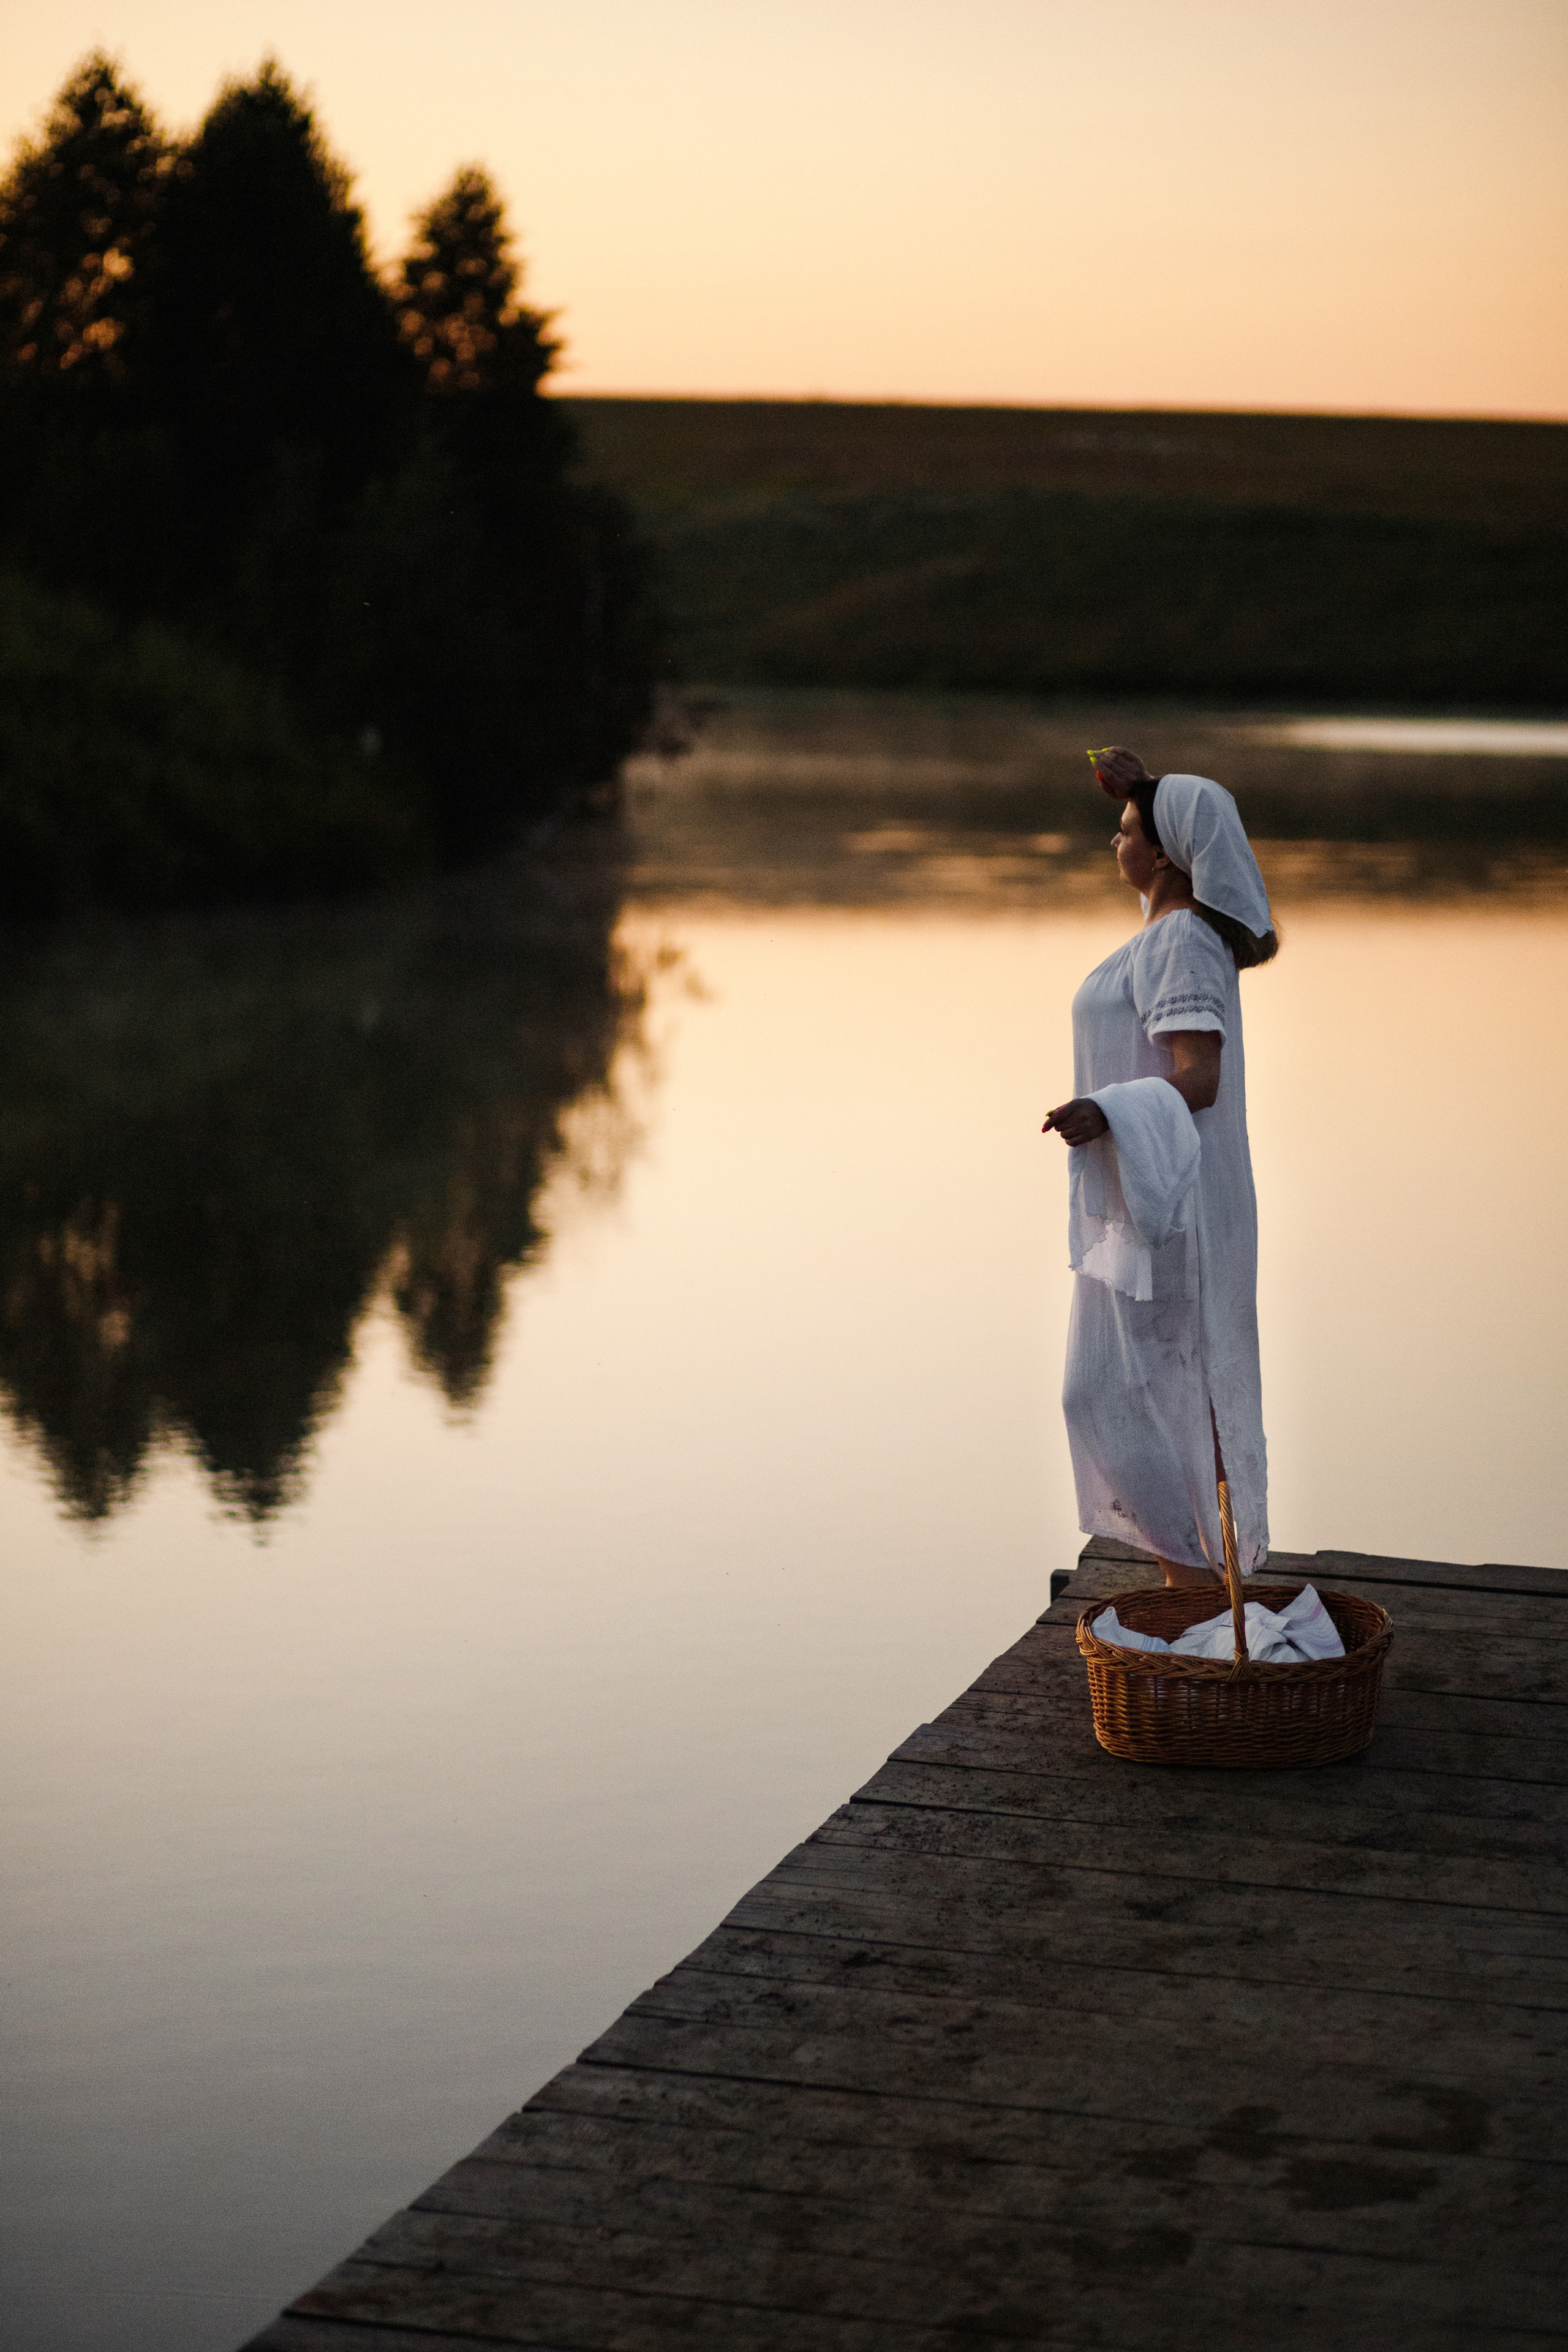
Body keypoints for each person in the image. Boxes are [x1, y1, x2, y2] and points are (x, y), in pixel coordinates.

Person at [1042, 747, 1278, 1589]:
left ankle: (1202, 1591)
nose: (1115, 841)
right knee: (1124, 1387)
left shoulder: (1181, 940)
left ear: (1171, 854)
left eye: (1129, 829)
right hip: (1140, 1199)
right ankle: (1199, 1588)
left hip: (1171, 1198)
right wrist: (1144, 785)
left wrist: (1110, 1110)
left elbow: (1200, 1076)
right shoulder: (1162, 934)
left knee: (1138, 1388)